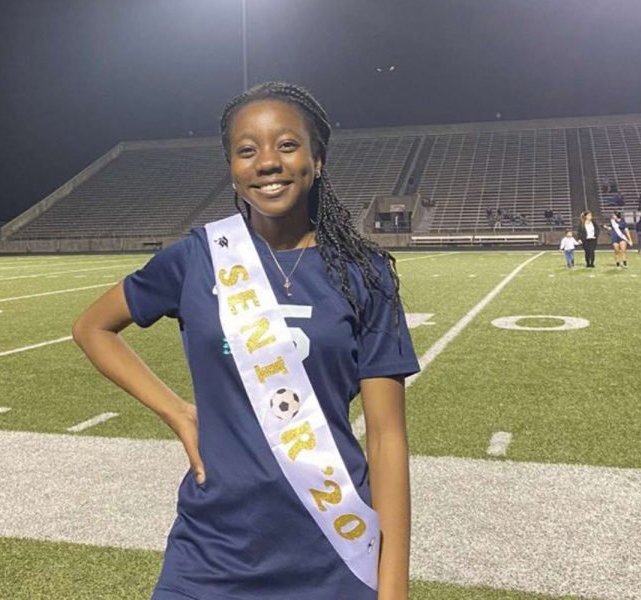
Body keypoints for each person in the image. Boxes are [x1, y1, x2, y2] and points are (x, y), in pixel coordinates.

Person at [72, 82, 420, 600]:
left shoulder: (364, 275)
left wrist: (392, 590)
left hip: (332, 550)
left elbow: (387, 439)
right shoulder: (197, 258)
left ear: (317, 159)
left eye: (286, 145)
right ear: (232, 167)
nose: (267, 163)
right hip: (210, 552)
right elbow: (91, 328)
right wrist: (177, 412)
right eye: (247, 150)